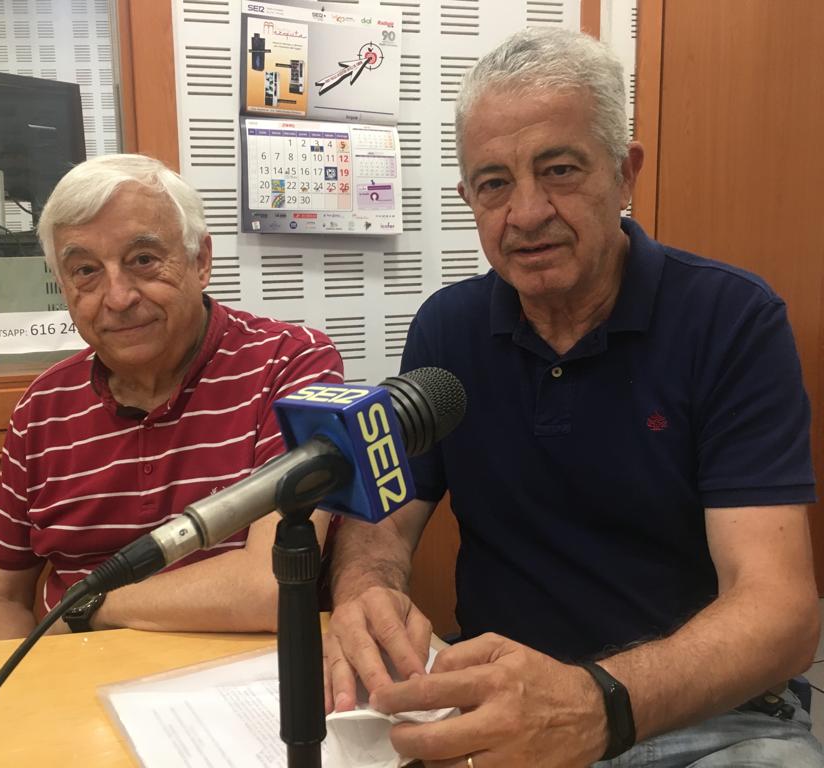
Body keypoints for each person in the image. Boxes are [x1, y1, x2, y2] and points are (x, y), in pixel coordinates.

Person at [324, 28, 822, 768]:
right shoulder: (446, 329)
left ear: (626, 174)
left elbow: (780, 611)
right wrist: (367, 585)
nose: (525, 213)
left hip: (703, 716)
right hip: (496, 710)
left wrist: (598, 703)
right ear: (468, 198)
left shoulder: (732, 320)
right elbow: (385, 520)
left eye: (558, 170)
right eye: (493, 183)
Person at [0, 154, 342, 641]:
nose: (118, 297)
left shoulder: (290, 365)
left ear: (200, 261)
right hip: (79, 684)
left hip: (247, 685)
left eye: (143, 260)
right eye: (85, 271)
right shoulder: (41, 410)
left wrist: (87, 605)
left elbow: (269, 586)